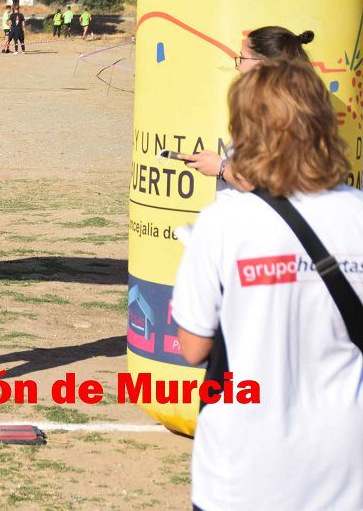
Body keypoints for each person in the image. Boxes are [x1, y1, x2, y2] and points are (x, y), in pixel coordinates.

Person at [172, 58, 363, 511]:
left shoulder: (223, 222)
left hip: (243, 470)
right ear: (321, 123)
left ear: (244, 129)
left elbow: (193, 347)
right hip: (346, 465)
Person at [179, 26, 314, 194]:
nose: (238, 67)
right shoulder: (285, 109)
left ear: (263, 64)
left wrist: (221, 168)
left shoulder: (279, 115)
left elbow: (269, 183)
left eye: (242, 58)